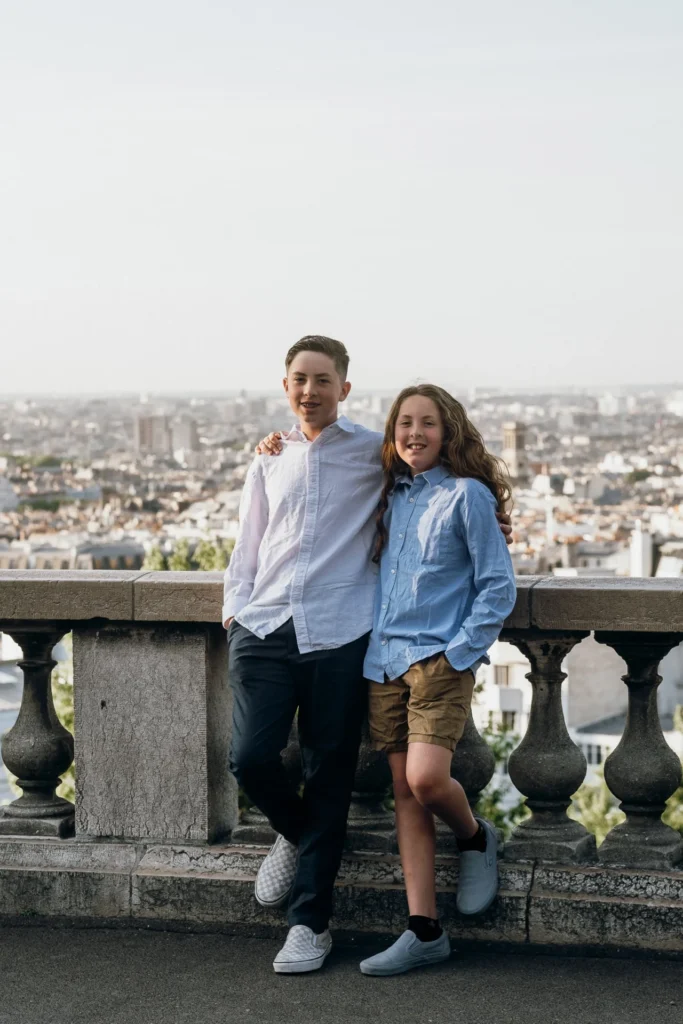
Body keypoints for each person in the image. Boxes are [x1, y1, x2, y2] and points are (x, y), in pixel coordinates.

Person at [224, 336, 513, 975]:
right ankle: (299, 835)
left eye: (322, 379)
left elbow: (470, 536)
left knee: (359, 776)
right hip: (289, 630)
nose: (310, 390)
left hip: (358, 638)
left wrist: (464, 646)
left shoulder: (376, 455)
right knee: (249, 757)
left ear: (344, 389)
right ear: (285, 385)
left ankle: (315, 922)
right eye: (300, 378)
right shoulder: (275, 457)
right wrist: (234, 610)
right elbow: (246, 544)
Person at [357, 384, 516, 976]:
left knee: (427, 781)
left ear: (448, 432)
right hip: (383, 662)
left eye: (427, 423)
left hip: (437, 662)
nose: (414, 434)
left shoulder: (466, 496)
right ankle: (424, 928)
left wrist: (460, 654)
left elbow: (498, 585)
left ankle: (475, 837)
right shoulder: (389, 495)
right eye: (404, 423)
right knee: (404, 795)